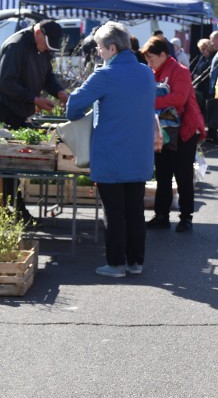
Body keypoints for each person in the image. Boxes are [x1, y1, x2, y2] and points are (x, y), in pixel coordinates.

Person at [66, 22, 156, 278]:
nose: (98, 52)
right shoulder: (146, 73)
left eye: (100, 48)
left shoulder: (104, 75)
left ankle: (115, 264)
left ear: (112, 47)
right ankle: (135, 262)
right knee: (135, 211)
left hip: (111, 155)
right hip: (139, 155)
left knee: (114, 212)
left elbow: (73, 108)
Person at [0, 19, 68, 222]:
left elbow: (48, 76)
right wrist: (34, 99)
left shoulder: (41, 48)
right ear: (38, 32)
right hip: (6, 111)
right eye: (45, 45)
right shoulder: (16, 46)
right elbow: (5, 82)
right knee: (10, 164)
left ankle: (16, 209)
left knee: (14, 165)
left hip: (21, 111)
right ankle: (14, 210)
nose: (46, 50)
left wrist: (59, 92)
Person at [142, 36, 206, 233]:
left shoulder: (180, 71)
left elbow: (178, 99)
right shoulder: (152, 72)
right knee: (162, 173)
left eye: (151, 58)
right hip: (163, 130)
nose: (149, 62)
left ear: (163, 54)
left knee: (183, 175)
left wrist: (149, 102)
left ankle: (186, 217)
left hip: (184, 130)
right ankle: (161, 215)